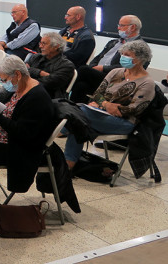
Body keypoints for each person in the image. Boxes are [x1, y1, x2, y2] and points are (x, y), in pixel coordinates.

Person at [62, 40, 155, 168]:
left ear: (139, 59)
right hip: (99, 114)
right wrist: (106, 105)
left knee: (79, 112)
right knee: (79, 122)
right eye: (122, 54)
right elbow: (97, 95)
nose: (123, 57)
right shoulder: (115, 72)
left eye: (127, 55)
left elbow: (134, 110)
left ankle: (59, 130)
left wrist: (103, 104)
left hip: (125, 122)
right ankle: (68, 165)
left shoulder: (147, 83)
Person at [0, 56, 55, 194]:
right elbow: (6, 113)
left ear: (18, 75)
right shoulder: (19, 89)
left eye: (5, 80)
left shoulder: (37, 97)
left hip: (17, 147)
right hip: (3, 136)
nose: (4, 84)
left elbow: (23, 133)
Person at [70, 15, 145, 103]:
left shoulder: (140, 48)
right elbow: (98, 57)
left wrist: (102, 68)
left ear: (132, 27)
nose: (118, 28)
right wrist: (93, 66)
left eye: (121, 25)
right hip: (98, 75)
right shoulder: (113, 42)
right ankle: (74, 109)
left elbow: (129, 68)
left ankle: (61, 90)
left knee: (83, 69)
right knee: (81, 86)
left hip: (115, 79)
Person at [25, 32, 75, 99]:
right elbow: (22, 72)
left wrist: (32, 72)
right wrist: (41, 73)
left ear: (56, 46)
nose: (40, 46)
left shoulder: (67, 65)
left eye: (44, 43)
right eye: (40, 43)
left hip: (47, 98)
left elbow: (49, 83)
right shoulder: (35, 57)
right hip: (27, 91)